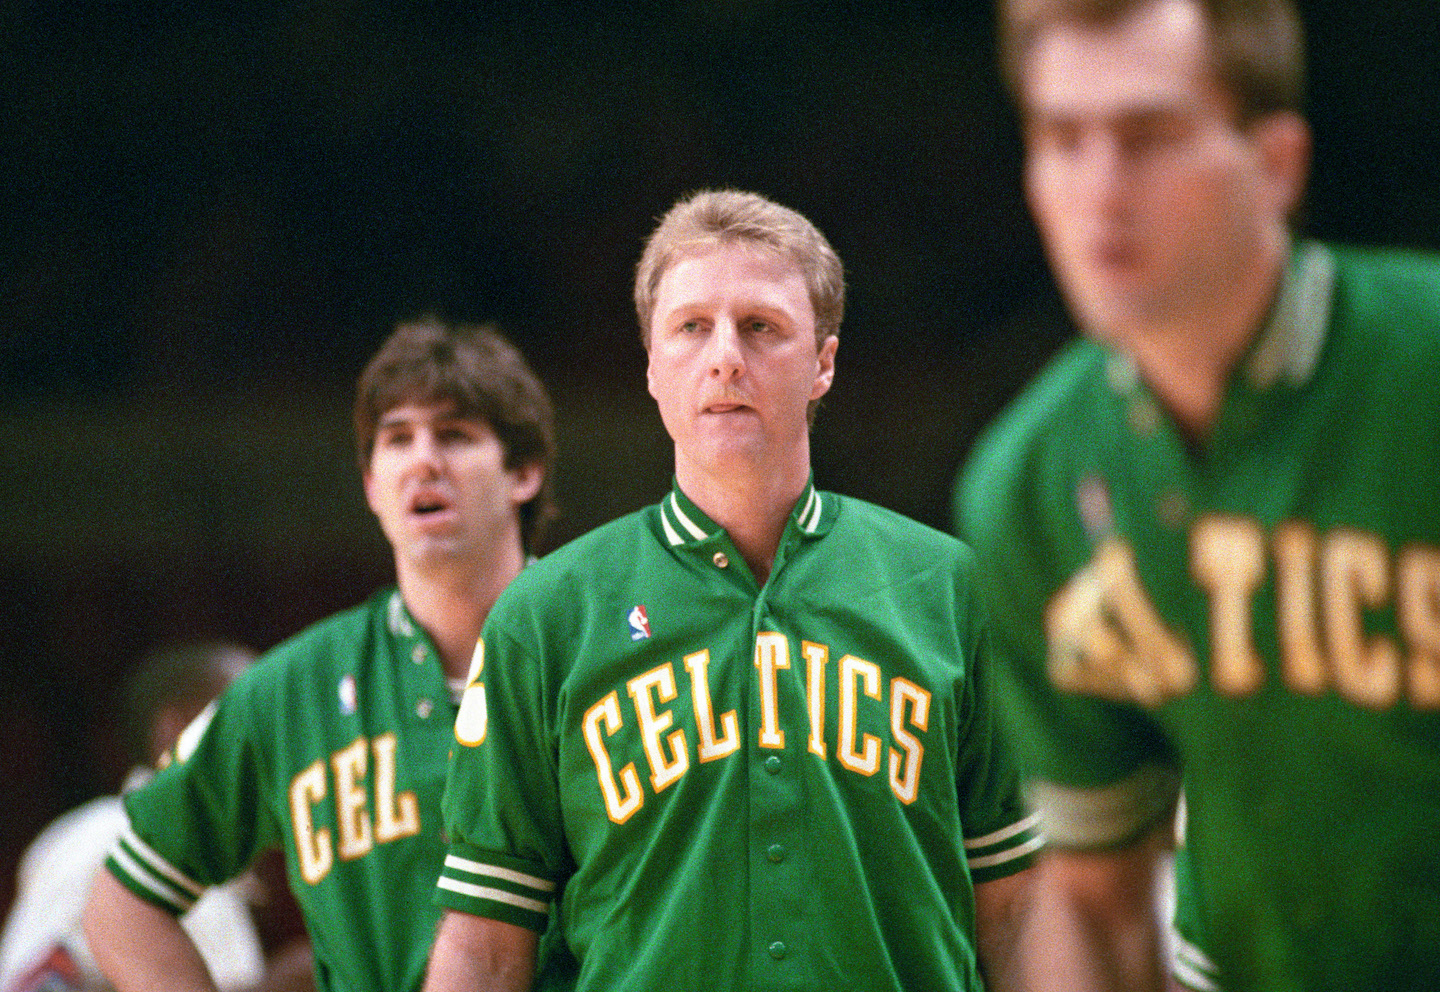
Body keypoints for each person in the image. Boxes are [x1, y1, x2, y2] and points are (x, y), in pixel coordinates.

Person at [954, 0, 1440, 989]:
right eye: (1061, 140)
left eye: (1149, 138)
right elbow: (1092, 895)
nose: (1099, 191)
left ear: (1277, 164)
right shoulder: (1031, 485)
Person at [422, 189, 1041, 992]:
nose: (724, 358)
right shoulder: (547, 618)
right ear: (650, 364)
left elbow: (1018, 910)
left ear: (823, 362)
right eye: (690, 328)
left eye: (761, 326)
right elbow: (484, 940)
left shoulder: (951, 588)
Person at [81, 316, 558, 992]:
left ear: (524, 472)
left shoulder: (602, 648)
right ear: (371, 485)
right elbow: (121, 905)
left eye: (454, 435)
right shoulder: (291, 689)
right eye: (397, 439)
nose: (423, 460)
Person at [0, 641, 299, 992]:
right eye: (251, 717)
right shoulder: (103, 837)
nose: (274, 739)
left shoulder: (210, 865)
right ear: (179, 726)